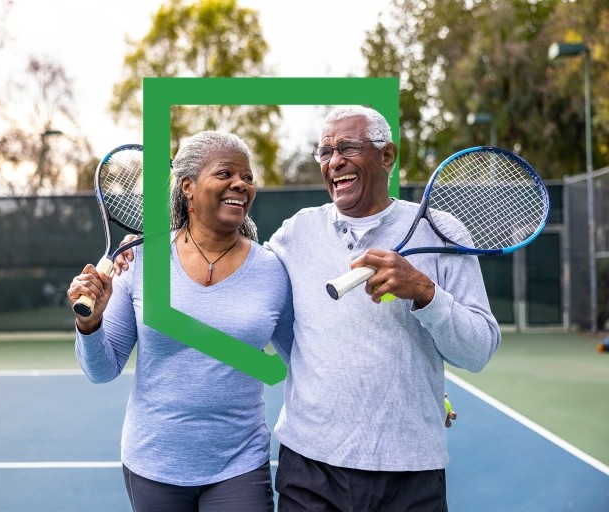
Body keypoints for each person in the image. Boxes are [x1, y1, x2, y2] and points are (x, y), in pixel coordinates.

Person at [266, 105, 500, 511]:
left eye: (347, 147)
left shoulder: (443, 232)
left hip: (410, 469)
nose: (334, 161)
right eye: (325, 152)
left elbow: (478, 351)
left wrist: (424, 292)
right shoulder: (295, 233)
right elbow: (248, 284)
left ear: (387, 156)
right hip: (310, 468)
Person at [67, 131, 294, 512]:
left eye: (248, 178)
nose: (241, 184)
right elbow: (102, 370)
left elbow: (302, 361)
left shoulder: (273, 269)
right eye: (226, 173)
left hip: (239, 463)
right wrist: (90, 325)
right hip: (152, 463)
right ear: (187, 186)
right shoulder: (140, 261)